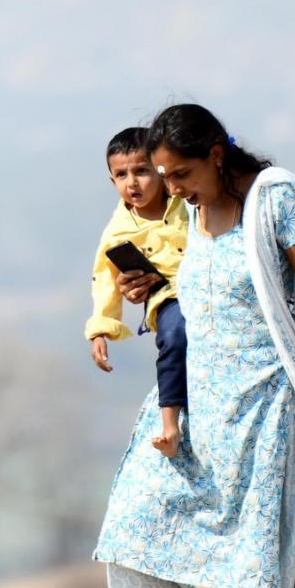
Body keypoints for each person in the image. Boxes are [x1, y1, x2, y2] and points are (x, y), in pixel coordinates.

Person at [94, 103, 295, 588]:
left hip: (267, 415)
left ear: (216, 155)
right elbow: (199, 291)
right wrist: (152, 286)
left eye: (182, 174)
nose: (174, 188)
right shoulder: (189, 211)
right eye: (165, 177)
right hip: (188, 410)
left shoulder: (274, 199)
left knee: (259, 585)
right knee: (130, 542)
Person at [85, 127, 189, 457]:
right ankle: (170, 425)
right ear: (111, 180)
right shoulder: (118, 232)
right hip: (168, 299)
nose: (132, 182)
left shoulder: (187, 203)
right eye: (121, 174)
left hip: (209, 288)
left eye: (141, 171)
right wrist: (100, 330)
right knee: (174, 338)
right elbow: (104, 278)